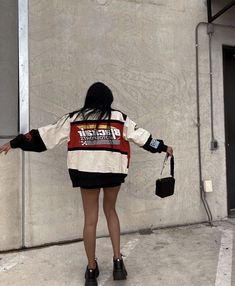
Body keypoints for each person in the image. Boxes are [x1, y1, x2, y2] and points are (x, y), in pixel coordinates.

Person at [0, 82, 173, 286]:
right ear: (109, 100)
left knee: (90, 219)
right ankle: (118, 263)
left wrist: (15, 142)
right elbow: (144, 138)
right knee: (111, 211)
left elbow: (44, 135)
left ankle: (91, 270)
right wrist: (163, 147)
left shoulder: (74, 119)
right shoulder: (120, 118)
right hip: (112, 173)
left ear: (88, 99)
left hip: (86, 174)